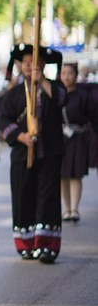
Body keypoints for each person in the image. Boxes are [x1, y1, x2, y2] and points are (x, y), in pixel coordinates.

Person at [0, 43, 66, 263]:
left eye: (34, 63)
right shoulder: (13, 94)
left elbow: (62, 99)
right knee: (23, 195)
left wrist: (43, 81)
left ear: (43, 64)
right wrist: (20, 136)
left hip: (50, 152)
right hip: (22, 153)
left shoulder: (53, 86)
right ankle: (26, 243)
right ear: (20, 65)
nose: (30, 67)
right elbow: (3, 120)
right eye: (26, 63)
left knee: (48, 197)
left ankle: (47, 245)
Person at [59, 63, 91, 224]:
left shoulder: (83, 95)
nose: (66, 77)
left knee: (75, 174)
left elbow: (90, 117)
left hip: (78, 138)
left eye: (70, 73)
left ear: (76, 75)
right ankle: (66, 208)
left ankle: (75, 209)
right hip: (60, 138)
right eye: (63, 73)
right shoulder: (56, 93)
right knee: (62, 175)